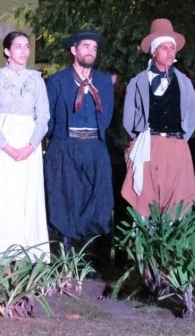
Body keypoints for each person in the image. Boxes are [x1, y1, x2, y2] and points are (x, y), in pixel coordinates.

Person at [0, 31, 51, 260]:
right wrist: (6, 147)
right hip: (2, 144)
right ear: (7, 51)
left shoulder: (36, 79)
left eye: (27, 46)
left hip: (29, 143)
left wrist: (31, 146)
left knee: (27, 195)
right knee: (4, 195)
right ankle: (0, 252)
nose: (24, 51)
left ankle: (28, 252)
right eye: (18, 46)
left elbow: (43, 117)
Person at [44, 30, 114, 258]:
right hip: (66, 144)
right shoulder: (56, 81)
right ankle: (67, 257)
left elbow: (107, 116)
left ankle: (92, 258)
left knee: (97, 199)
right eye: (86, 46)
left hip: (95, 147)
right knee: (66, 199)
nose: (91, 51)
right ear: (74, 50)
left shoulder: (104, 82)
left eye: (94, 48)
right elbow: (48, 118)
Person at [121, 18, 195, 217]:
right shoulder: (138, 82)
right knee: (147, 201)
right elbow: (129, 119)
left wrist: (178, 142)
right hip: (149, 147)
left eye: (172, 48)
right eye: (164, 48)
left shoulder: (184, 82)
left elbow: (191, 117)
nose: (170, 53)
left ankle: (173, 236)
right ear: (153, 51)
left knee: (177, 202)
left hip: (177, 147)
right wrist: (144, 139)